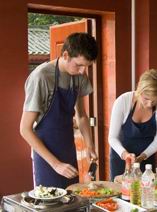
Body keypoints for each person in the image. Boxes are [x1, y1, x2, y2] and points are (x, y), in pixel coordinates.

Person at [20, 32, 98, 188]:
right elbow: (25, 129)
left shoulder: (79, 77)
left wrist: (90, 145)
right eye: (79, 65)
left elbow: (81, 116)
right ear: (66, 55)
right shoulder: (41, 77)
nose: (83, 71)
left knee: (72, 199)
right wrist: (55, 164)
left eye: (87, 67)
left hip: (68, 149)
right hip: (46, 155)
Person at [108, 69, 157, 181]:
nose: (150, 104)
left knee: (145, 193)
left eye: (155, 100)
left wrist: (142, 157)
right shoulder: (123, 101)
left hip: (146, 159)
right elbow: (112, 138)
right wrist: (125, 154)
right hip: (121, 157)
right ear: (139, 90)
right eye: (146, 99)